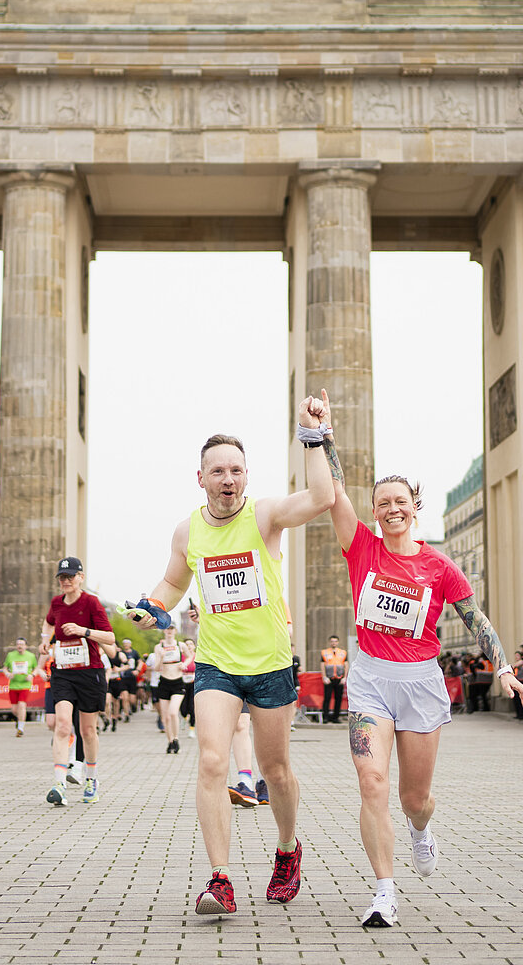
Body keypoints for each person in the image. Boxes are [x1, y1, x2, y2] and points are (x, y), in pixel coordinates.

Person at [121, 392, 335, 917]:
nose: (227, 479)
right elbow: (173, 583)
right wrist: (152, 607)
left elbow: (322, 497)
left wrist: (314, 434)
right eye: (217, 471)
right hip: (216, 665)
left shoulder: (265, 517)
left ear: (246, 475)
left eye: (236, 470)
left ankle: (287, 850)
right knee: (213, 761)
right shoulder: (186, 530)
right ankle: (221, 879)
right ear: (201, 479)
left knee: (275, 769)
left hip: (269, 665)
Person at [328, 453, 523, 929]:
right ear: (373, 511)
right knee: (370, 782)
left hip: (420, 684)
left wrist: (503, 667)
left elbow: (475, 620)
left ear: (414, 506)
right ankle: (383, 893)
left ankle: (421, 828)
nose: (391, 508)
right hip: (371, 681)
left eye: (400, 500)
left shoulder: (441, 567)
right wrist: (322, 438)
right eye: (382, 503)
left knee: (414, 798)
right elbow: (334, 492)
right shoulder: (361, 547)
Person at [39, 556, 112, 804]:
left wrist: (84, 631)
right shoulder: (56, 603)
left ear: (81, 577)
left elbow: (110, 638)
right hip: (63, 672)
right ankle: (59, 782)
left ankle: (91, 778)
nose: (66, 581)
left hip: (89, 672)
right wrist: (43, 640)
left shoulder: (91, 602)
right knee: (61, 724)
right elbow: (48, 623)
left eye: (70, 576)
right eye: (62, 577)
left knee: (87, 730)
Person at [151, 626, 185, 753]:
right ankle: (170, 741)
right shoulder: (158, 647)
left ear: (175, 631)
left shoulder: (180, 645)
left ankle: (176, 739)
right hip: (164, 681)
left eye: (172, 629)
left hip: (177, 682)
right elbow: (156, 668)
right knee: (165, 717)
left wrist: (184, 664)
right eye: (167, 629)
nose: (169, 632)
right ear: (164, 631)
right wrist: (160, 657)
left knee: (173, 712)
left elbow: (191, 655)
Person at [3, 636, 37, 735]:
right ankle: (19, 719)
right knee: (14, 709)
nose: (19, 646)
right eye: (18, 644)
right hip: (13, 685)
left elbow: (36, 668)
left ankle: (21, 728)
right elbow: (5, 668)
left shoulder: (30, 656)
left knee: (22, 705)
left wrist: (32, 675)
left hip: (25, 684)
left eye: (21, 644)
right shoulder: (10, 655)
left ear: (26, 646)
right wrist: (7, 674)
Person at [319, 635, 347, 725]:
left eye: (335, 641)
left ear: (338, 642)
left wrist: (344, 677)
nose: (333, 643)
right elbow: (322, 665)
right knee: (327, 698)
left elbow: (346, 664)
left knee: (338, 699)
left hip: (339, 678)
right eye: (332, 641)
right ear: (330, 642)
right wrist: (324, 676)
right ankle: (326, 717)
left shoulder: (343, 652)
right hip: (329, 678)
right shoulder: (325, 652)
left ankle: (336, 717)